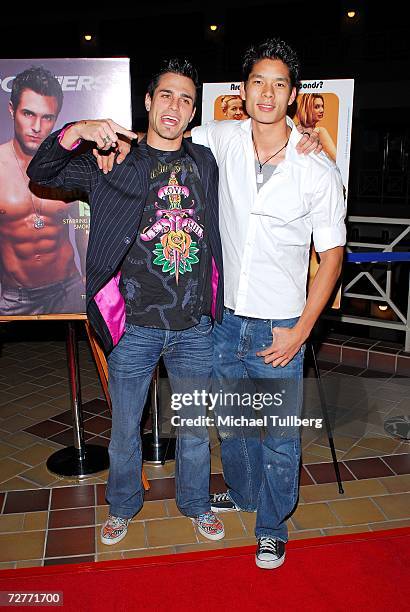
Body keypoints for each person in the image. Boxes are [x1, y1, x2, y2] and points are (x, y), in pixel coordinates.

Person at [27, 58, 227, 545]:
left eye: (185, 99)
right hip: (135, 324)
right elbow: (42, 168)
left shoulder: (204, 162)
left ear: (194, 111)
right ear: (148, 101)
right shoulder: (112, 161)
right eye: (166, 95)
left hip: (194, 325)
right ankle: (121, 506)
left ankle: (197, 504)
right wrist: (79, 128)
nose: (174, 106)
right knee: (123, 433)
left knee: (197, 433)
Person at [189, 38, 346, 570]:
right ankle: (246, 492)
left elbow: (332, 256)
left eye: (280, 84)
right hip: (226, 321)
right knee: (231, 425)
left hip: (281, 326)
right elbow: (164, 136)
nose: (268, 93)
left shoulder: (316, 169)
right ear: (242, 90)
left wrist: (302, 331)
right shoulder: (221, 140)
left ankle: (272, 526)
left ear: (293, 95)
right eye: (259, 81)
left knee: (279, 438)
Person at [0, 66, 87, 316]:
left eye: (47, 117)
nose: (37, 127)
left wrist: (87, 276)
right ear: (11, 110)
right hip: (15, 294)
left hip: (67, 287)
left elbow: (83, 224)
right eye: (28, 113)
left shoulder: (71, 166)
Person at [296, 93, 337, 161]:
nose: (322, 110)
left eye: (322, 106)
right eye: (317, 107)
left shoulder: (293, 129)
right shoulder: (320, 131)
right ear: (307, 108)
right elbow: (338, 161)